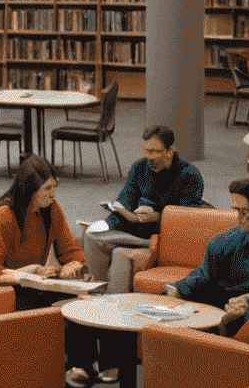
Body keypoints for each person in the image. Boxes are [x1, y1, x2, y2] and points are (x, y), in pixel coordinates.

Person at [0, 155, 99, 387]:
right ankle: (50, 370)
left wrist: (73, 265)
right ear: (31, 189)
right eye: (47, 188)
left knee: (78, 302)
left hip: (36, 281)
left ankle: (84, 366)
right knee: (39, 308)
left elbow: (71, 251)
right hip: (3, 284)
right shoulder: (4, 215)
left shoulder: (52, 210)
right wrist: (27, 275)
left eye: (55, 187)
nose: (53, 193)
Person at [84, 125, 206, 293]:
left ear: (170, 151)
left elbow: (187, 220)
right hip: (135, 229)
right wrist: (108, 222)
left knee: (121, 253)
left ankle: (112, 305)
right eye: (147, 151)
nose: (150, 157)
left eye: (156, 151)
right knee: (91, 235)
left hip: (161, 236)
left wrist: (156, 216)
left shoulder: (189, 176)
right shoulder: (140, 168)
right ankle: (93, 294)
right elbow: (125, 200)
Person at [163, 178, 249, 336]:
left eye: (244, 212)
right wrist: (177, 289)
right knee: (171, 292)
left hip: (246, 314)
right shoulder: (225, 241)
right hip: (226, 306)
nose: (239, 218)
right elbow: (204, 276)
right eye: (236, 211)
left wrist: (248, 299)